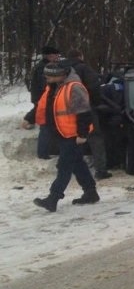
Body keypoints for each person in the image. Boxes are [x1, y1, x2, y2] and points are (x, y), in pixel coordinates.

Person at [33, 62, 100, 212]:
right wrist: (30, 118)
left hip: (73, 135)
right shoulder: (53, 87)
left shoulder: (74, 87)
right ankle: (91, 192)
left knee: (64, 166)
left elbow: (84, 113)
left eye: (50, 75)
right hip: (61, 133)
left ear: (61, 75)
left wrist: (82, 134)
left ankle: (53, 198)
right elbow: (43, 106)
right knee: (77, 164)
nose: (46, 77)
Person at [64, 49, 112, 179]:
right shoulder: (84, 69)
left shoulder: (62, 70)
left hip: (65, 109)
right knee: (94, 137)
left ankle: (67, 168)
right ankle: (101, 170)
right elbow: (94, 86)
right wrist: (95, 103)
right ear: (80, 56)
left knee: (70, 138)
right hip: (85, 107)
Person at [21, 46, 61, 159]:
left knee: (46, 125)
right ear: (49, 55)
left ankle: (29, 120)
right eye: (56, 54)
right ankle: (43, 153)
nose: (58, 57)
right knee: (46, 126)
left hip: (41, 98)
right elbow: (46, 85)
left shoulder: (44, 66)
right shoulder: (44, 68)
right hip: (42, 99)